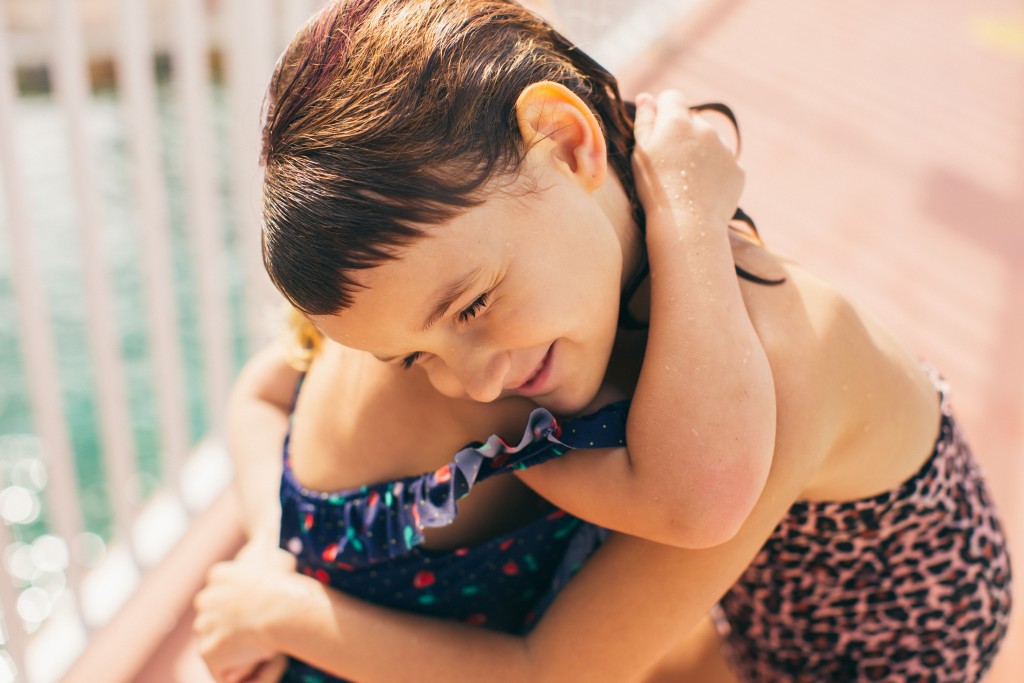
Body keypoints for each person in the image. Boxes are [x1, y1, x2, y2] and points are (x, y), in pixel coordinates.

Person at [193, 1, 1013, 681]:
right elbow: (270, 385)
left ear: (567, 141)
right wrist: (272, 547)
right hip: (763, 597)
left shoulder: (779, 357)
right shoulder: (523, 283)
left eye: (474, 305)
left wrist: (687, 216)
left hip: (886, 647)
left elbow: (688, 512)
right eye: (415, 356)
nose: (475, 384)